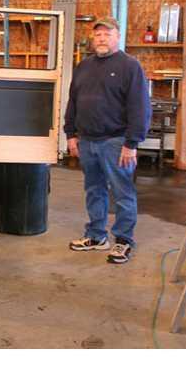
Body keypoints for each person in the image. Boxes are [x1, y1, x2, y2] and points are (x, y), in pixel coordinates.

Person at [64, 17, 151, 264]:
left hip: (116, 142)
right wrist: (70, 134)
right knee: (94, 190)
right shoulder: (84, 66)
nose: (102, 38)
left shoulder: (129, 66)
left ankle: (123, 241)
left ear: (117, 37)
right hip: (87, 141)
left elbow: (140, 108)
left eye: (107, 34)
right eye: (98, 35)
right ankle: (96, 236)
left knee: (123, 193)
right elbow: (73, 101)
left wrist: (131, 143)